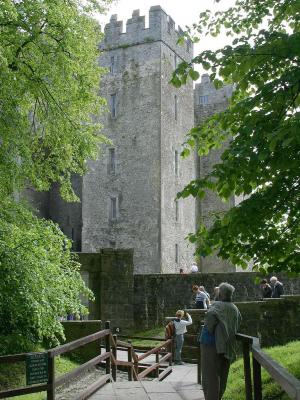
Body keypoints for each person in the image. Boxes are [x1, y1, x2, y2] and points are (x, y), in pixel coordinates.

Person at [200, 282, 241, 400]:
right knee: (223, 375)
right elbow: (239, 322)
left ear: (221, 294)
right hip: (228, 345)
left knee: (210, 375)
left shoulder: (217, 306)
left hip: (211, 345)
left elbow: (209, 324)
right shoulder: (235, 308)